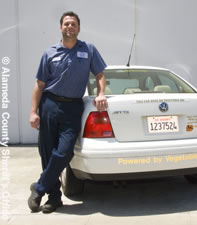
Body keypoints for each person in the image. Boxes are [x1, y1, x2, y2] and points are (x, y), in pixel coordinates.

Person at [28, 11, 108, 213]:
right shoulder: (49, 52)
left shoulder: (88, 49)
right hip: (49, 105)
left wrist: (101, 93)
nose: (70, 27)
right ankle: (54, 198)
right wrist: (33, 111)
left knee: (64, 152)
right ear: (61, 27)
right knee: (47, 153)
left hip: (73, 107)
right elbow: (39, 84)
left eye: (73, 24)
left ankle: (39, 187)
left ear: (79, 28)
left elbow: (100, 74)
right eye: (66, 24)